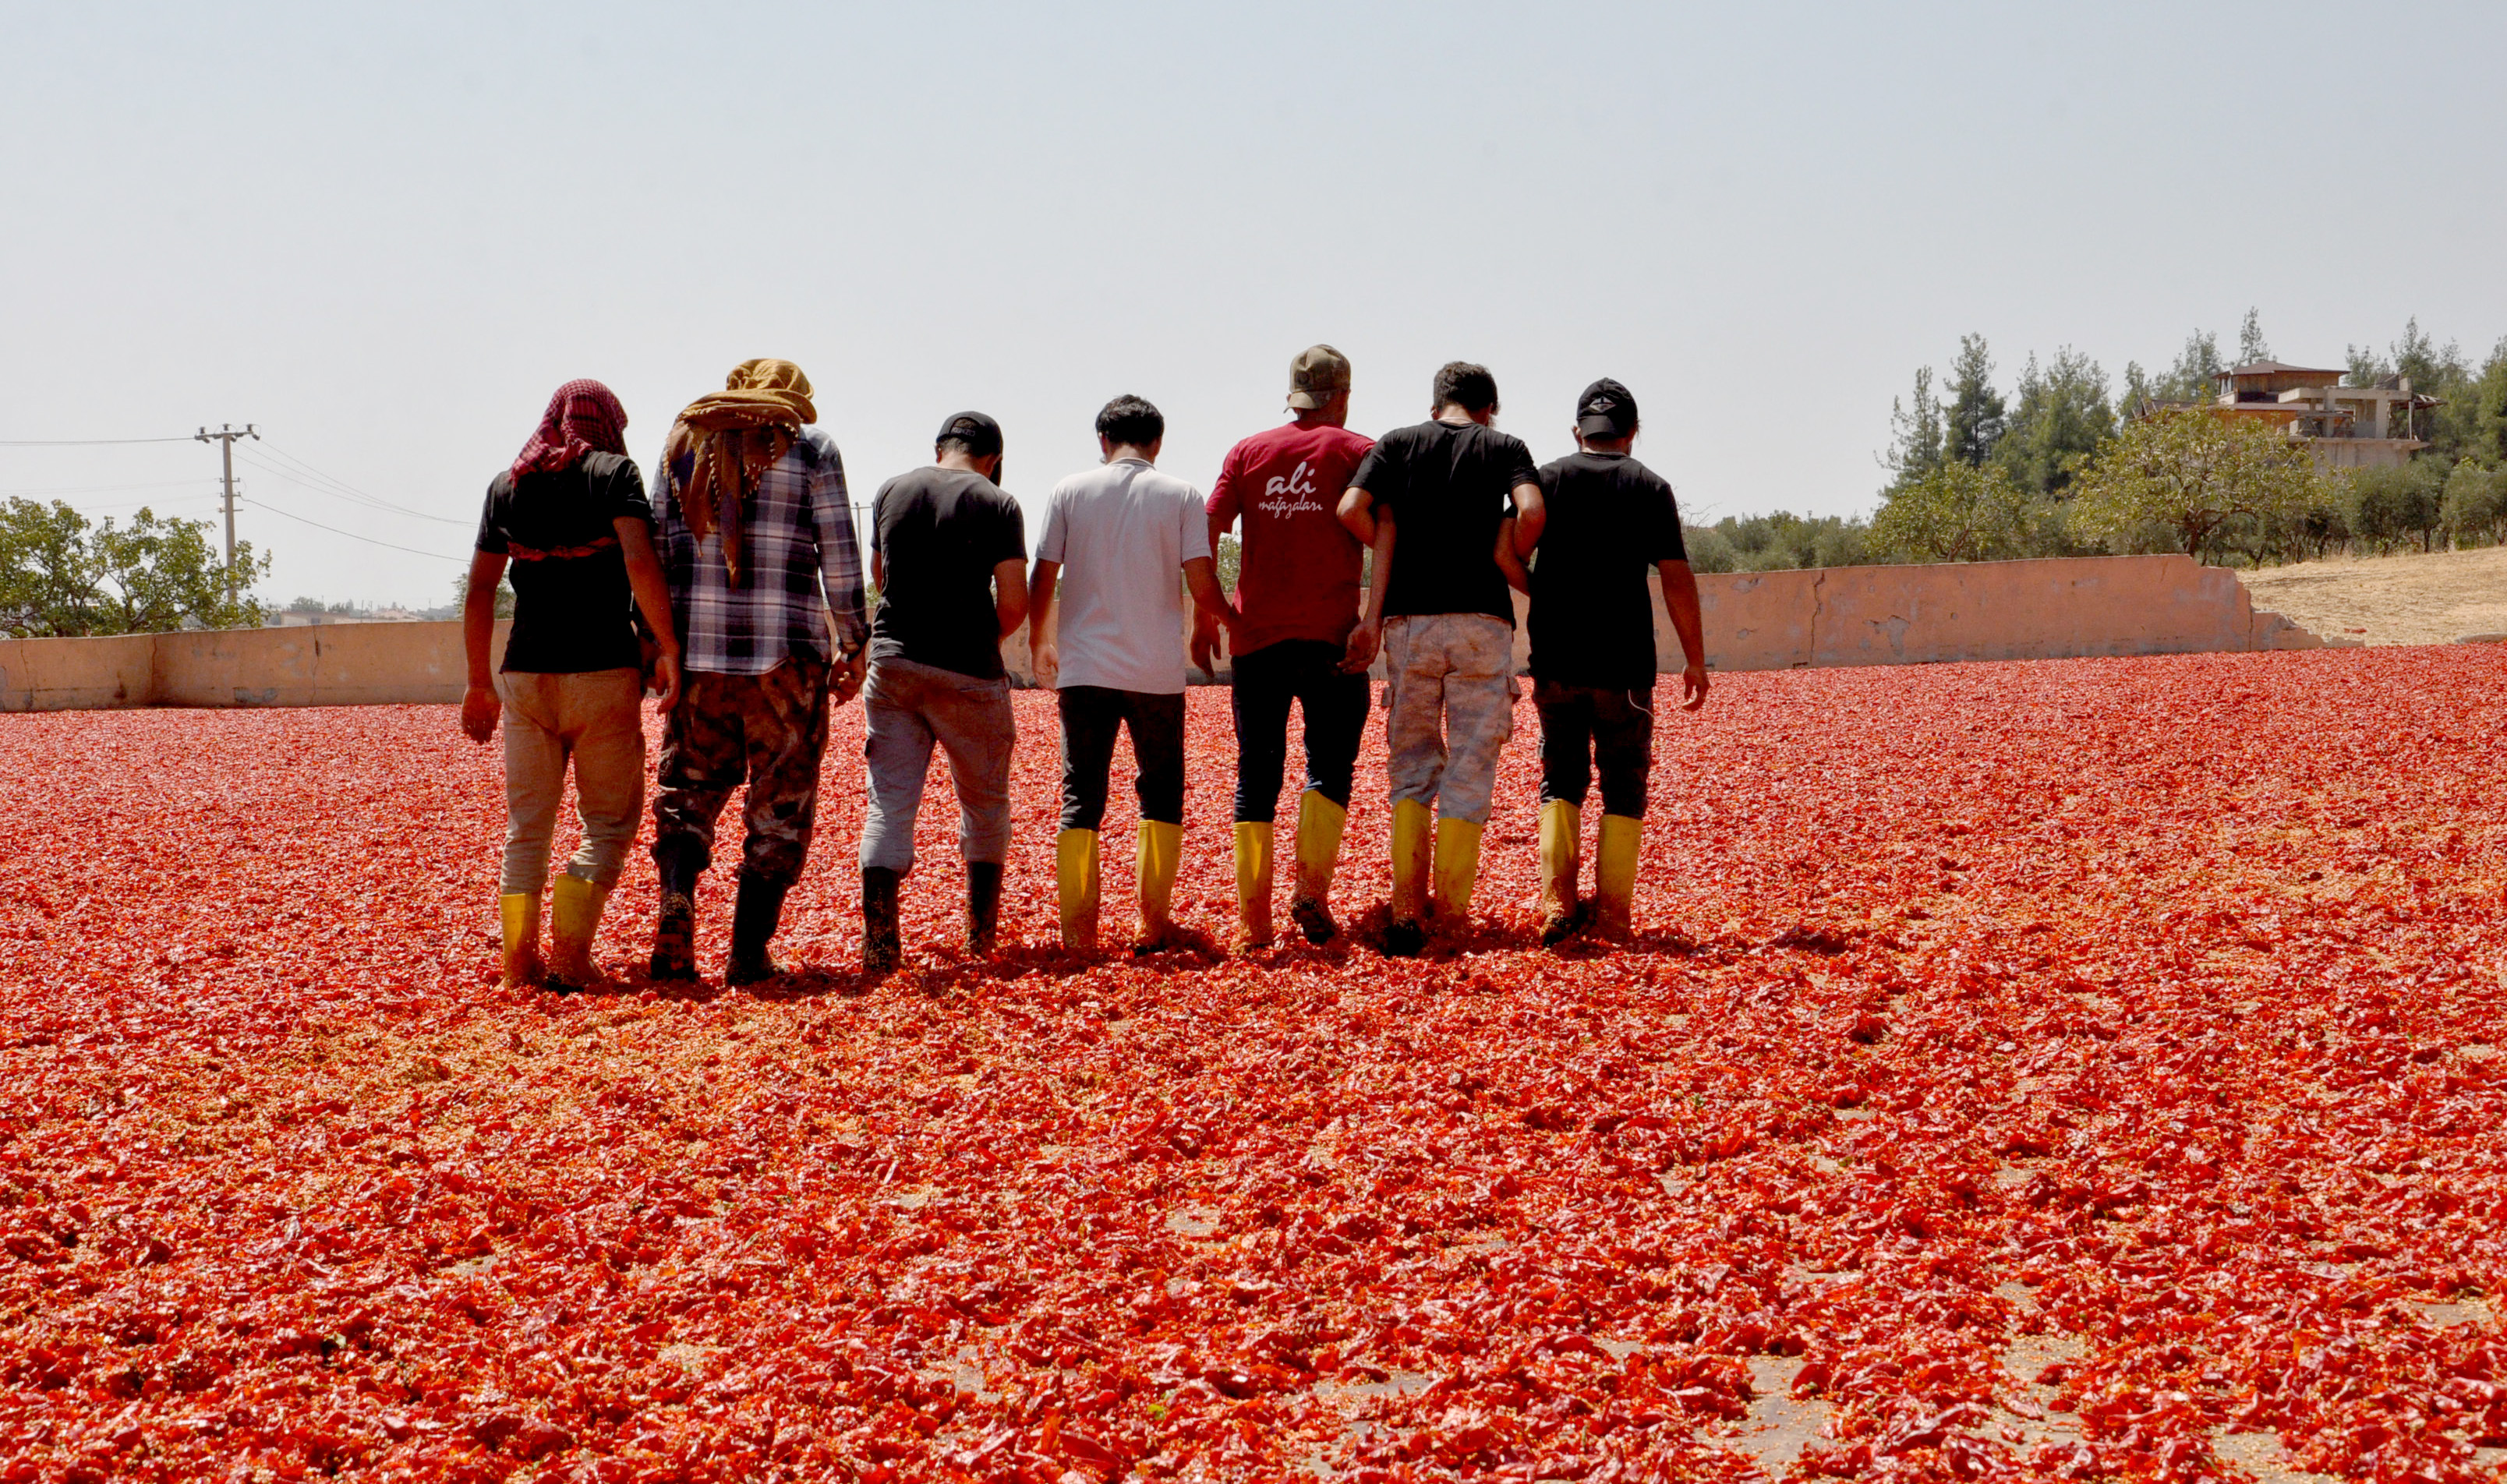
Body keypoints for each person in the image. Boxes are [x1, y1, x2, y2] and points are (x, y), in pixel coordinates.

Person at [646, 359, 869, 985]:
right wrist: (854, 643)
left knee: (687, 792)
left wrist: (660, 647)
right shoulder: (810, 447)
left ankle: (676, 902)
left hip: (698, 663)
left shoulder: (683, 443)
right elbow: (841, 561)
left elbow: (658, 553)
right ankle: (747, 952)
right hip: (786, 667)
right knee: (780, 805)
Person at [460, 379, 682, 991]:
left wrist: (478, 682)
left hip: (524, 676)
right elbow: (640, 562)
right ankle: (570, 955)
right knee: (609, 822)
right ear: (608, 422)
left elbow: (480, 588)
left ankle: (517, 964)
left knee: (527, 825)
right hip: (599, 673)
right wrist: (667, 645)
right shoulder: (614, 475)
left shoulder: (509, 485)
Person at [1338, 362, 1543, 956]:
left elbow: (1352, 508)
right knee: (1472, 762)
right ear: (1489, 408)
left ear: (1437, 406)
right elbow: (1530, 511)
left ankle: (1406, 910)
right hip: (1482, 618)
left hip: (1411, 621)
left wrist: (1396, 547)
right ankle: (1451, 916)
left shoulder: (1397, 444)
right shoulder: (1506, 447)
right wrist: (1511, 556)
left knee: (1412, 762)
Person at [1030, 394, 1238, 952]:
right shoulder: (1182, 495)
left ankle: (1079, 933)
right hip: (1156, 673)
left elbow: (1044, 572)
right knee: (1162, 792)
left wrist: (1037, 640)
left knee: (1082, 794)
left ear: (1101, 440)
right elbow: (1199, 579)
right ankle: (1152, 923)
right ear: (1158, 442)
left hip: (1083, 671)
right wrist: (1229, 621)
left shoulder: (1069, 490)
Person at [1192, 345, 1375, 948]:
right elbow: (1386, 535)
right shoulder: (1358, 452)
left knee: (1257, 771)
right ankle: (1311, 893)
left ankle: (1253, 923)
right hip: (1333, 641)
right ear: (1342, 396)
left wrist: (1212, 612)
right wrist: (1375, 618)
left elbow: (1204, 534)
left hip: (1257, 641)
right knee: (1328, 766)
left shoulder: (1248, 452)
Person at [1526, 379, 1709, 945]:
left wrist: (1539, 593)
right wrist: (1695, 659)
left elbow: (1504, 550)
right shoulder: (1650, 488)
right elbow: (1676, 578)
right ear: (1632, 432)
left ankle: (1557, 904)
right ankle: (1613, 914)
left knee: (1561, 779)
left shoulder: (1546, 481)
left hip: (1555, 660)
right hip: (1624, 668)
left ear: (1578, 431)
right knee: (1624, 783)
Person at [857, 412, 1029, 974]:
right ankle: (980, 939)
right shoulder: (998, 504)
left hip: (894, 665)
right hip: (969, 672)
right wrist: (983, 639)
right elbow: (1013, 600)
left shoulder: (892, 489)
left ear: (939, 449)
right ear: (993, 460)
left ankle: (881, 946)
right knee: (984, 804)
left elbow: (882, 577)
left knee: (889, 802)